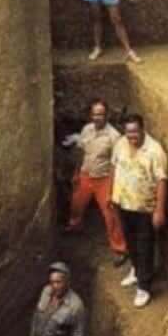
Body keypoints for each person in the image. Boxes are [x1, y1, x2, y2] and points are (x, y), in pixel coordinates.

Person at [110, 114, 168, 309]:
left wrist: (159, 210)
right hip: (124, 203)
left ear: (143, 129)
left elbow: (162, 181)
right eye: (128, 132)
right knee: (130, 241)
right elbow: (114, 167)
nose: (131, 136)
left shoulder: (155, 151)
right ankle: (136, 270)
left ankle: (144, 287)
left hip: (144, 208)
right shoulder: (120, 144)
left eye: (135, 132)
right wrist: (112, 194)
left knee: (145, 246)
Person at [62, 99, 128, 266]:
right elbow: (82, 152)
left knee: (110, 214)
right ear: (90, 115)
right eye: (94, 114)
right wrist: (77, 173)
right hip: (86, 175)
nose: (97, 117)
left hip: (104, 179)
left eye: (101, 114)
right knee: (76, 204)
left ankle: (120, 248)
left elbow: (118, 164)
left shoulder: (114, 137)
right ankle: (75, 226)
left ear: (107, 115)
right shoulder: (87, 129)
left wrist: (114, 187)